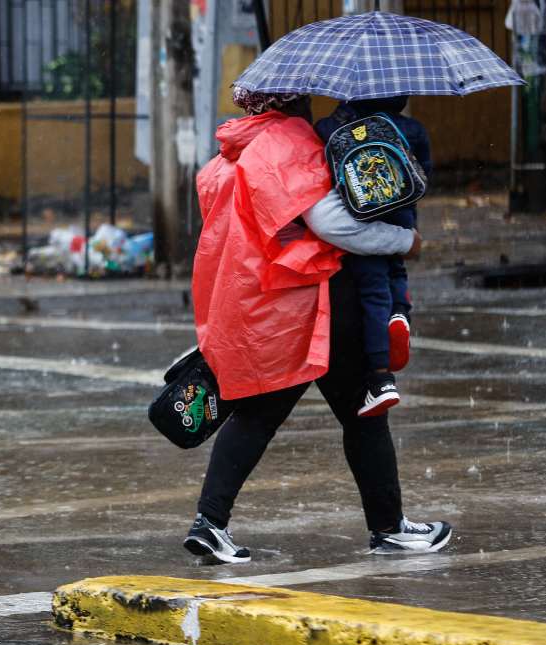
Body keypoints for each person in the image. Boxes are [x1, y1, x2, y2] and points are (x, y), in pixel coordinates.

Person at [183, 87, 452, 564]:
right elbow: (330, 223)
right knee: (363, 413)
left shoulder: (234, 149)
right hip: (306, 302)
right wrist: (402, 240)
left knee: (260, 414)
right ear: (292, 100)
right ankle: (388, 528)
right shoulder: (287, 141)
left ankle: (210, 522)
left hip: (260, 300)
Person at [315, 96, 433, 416]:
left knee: (372, 291)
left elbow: (324, 164)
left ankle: (381, 376)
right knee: (396, 272)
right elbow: (423, 176)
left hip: (362, 217)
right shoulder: (413, 128)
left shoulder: (332, 127)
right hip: (402, 217)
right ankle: (400, 315)